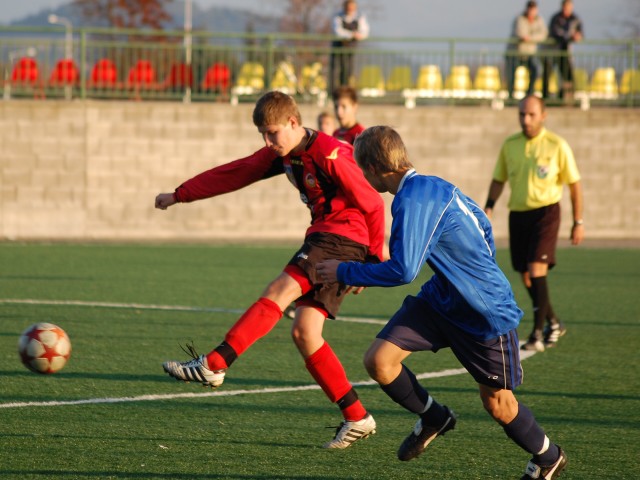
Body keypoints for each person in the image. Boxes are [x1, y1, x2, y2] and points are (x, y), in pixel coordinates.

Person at [317, 125, 568, 480]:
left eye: (361, 168)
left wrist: (345, 271)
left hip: (483, 313)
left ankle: (548, 456)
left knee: (499, 405)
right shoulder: (433, 186)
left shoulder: (412, 199)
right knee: (379, 361)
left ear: (373, 168)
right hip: (442, 298)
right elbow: (482, 225)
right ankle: (435, 417)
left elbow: (404, 271)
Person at [155, 91, 385, 449]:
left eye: (272, 133)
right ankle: (356, 415)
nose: (267, 141)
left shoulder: (330, 152)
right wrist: (180, 194)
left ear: (293, 123)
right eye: (263, 134)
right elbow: (235, 173)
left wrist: (372, 260)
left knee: (279, 291)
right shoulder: (283, 153)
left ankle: (215, 363)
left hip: (340, 239)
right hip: (331, 238)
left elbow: (371, 201)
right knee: (305, 333)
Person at [484, 95, 584, 352]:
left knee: (537, 270)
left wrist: (578, 221)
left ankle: (538, 334)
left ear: (543, 115)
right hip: (518, 214)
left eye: (531, 115)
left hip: (546, 213)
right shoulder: (510, 145)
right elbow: (499, 179)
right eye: (521, 115)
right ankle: (553, 321)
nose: (525, 120)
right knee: (526, 276)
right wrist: (489, 206)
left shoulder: (556, 145)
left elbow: (574, 185)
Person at [505, 1, 548, 99]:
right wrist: (534, 37)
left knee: (537, 69)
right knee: (511, 76)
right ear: (527, 9)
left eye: (534, 10)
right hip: (515, 53)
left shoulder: (540, 20)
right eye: (530, 10)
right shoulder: (519, 19)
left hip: (530, 54)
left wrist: (530, 38)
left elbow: (543, 34)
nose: (532, 12)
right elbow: (522, 34)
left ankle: (529, 94)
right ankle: (511, 97)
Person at [543, 0, 584, 99]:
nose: (567, 10)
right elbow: (555, 33)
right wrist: (569, 36)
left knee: (568, 76)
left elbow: (580, 33)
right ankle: (545, 98)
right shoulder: (556, 18)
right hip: (553, 51)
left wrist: (578, 36)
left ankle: (566, 98)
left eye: (569, 7)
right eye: (565, 7)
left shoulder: (575, 19)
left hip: (566, 53)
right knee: (548, 74)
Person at [330, 0, 370, 91]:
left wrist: (359, 35)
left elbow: (365, 31)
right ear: (344, 7)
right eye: (348, 8)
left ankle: (346, 93)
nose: (350, 10)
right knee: (335, 71)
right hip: (338, 49)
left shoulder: (359, 17)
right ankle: (333, 94)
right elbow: (338, 32)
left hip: (350, 49)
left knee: (348, 72)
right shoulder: (338, 16)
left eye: (352, 8)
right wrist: (352, 35)